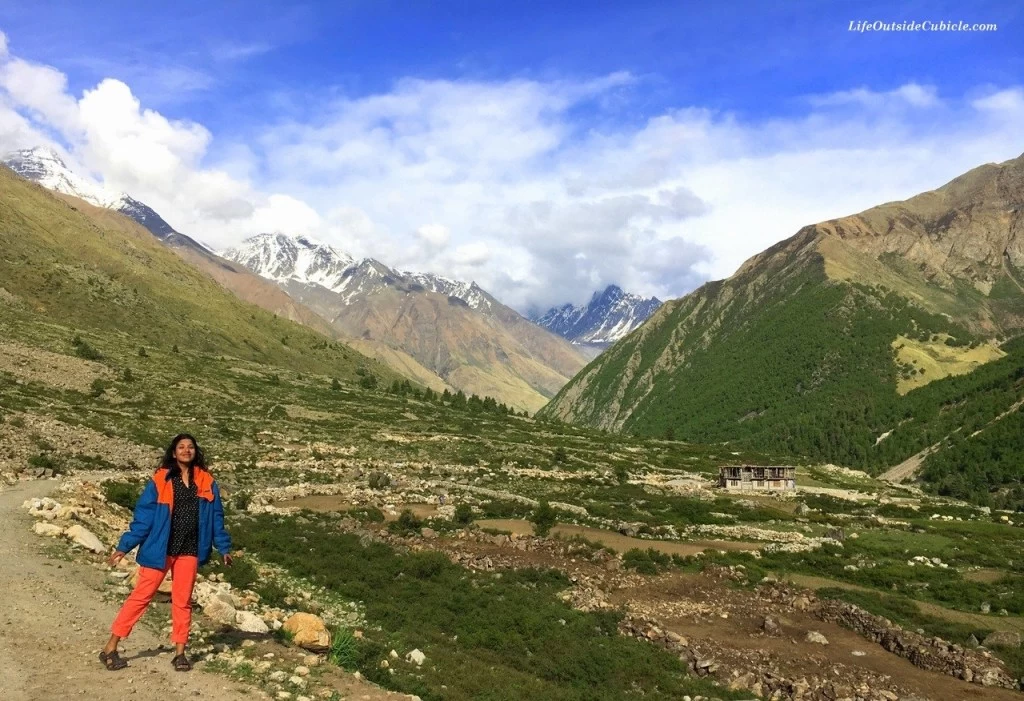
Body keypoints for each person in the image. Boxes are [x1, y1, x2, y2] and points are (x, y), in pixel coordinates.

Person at [98, 433, 233, 672]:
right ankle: (111, 647)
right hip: (160, 548)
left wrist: (223, 547)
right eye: (181, 447)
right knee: (141, 596)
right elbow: (144, 517)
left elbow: (216, 518)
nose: (186, 450)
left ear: (195, 452)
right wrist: (124, 546)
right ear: (173, 452)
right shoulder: (160, 480)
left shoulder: (206, 481)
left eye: (190, 447)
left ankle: (180, 654)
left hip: (189, 549)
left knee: (182, 602)